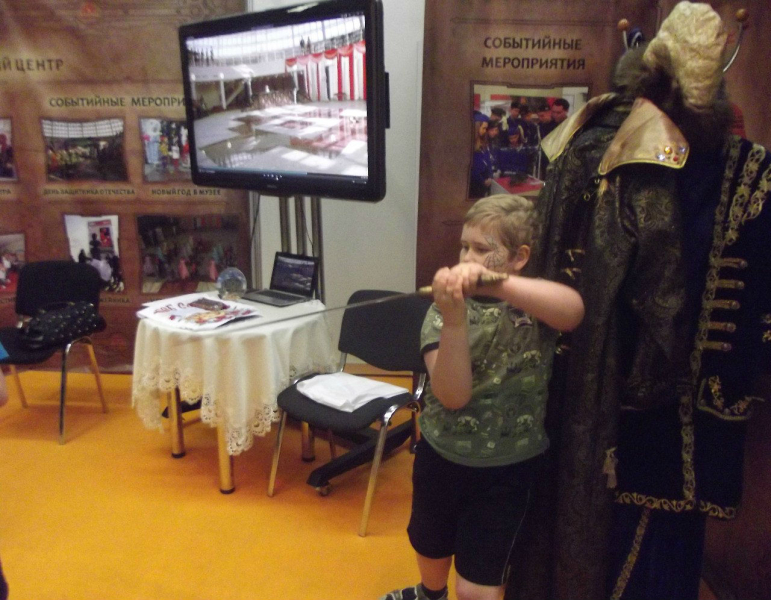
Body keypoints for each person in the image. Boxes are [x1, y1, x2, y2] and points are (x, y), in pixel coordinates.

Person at [507, 3, 771, 600]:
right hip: (605, 385)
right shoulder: (606, 143)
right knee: (589, 529)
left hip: (681, 399)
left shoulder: (747, 171)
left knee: (651, 548)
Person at [382, 194, 584, 600]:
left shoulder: (531, 305)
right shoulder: (442, 313)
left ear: (519, 257)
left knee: (477, 585)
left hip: (508, 469)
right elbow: (453, 396)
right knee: (430, 544)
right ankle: (429, 594)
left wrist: (500, 283)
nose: (466, 259)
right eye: (464, 247)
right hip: (441, 454)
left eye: (481, 249)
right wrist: (454, 321)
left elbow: (573, 311)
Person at [469, 114, 494, 199]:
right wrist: (482, 180)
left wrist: (490, 176)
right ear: (477, 127)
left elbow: (488, 162)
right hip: (474, 184)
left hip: (485, 182)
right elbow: (472, 168)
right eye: (483, 128)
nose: (485, 131)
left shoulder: (484, 143)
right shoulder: (470, 145)